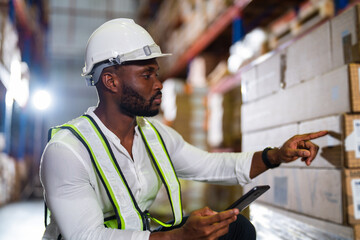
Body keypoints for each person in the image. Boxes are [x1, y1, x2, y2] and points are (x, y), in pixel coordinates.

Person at [39, 18, 327, 240]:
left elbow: (212, 165)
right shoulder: (67, 151)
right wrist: (178, 237)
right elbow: (88, 237)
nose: (159, 83)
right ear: (111, 82)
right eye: (146, 74)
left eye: (156, 73)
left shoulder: (154, 135)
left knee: (234, 228)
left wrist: (275, 155)